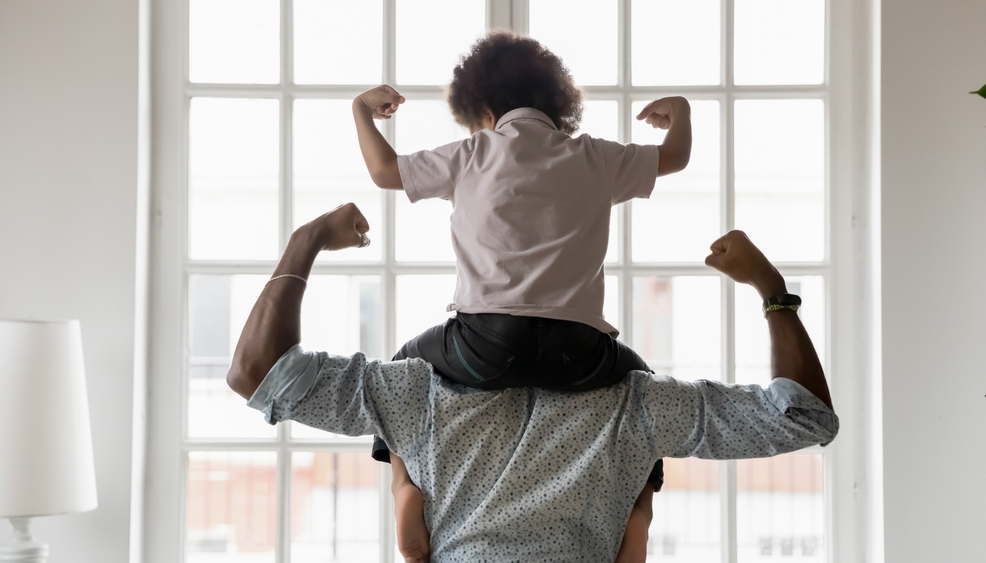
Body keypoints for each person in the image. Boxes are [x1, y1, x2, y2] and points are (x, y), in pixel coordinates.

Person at [227, 203, 838, 563]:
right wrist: (771, 291)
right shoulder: (637, 402)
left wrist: (306, 242)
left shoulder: (416, 393)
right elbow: (805, 416)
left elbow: (256, 371)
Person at [352, 31, 692, 558]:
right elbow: (674, 158)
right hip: (580, 353)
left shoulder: (472, 153)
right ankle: (637, 511)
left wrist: (361, 112)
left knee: (401, 369)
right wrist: (681, 112)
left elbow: (382, 171)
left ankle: (406, 485)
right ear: (558, 102)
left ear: (481, 107)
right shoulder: (594, 156)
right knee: (640, 387)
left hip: (482, 345)